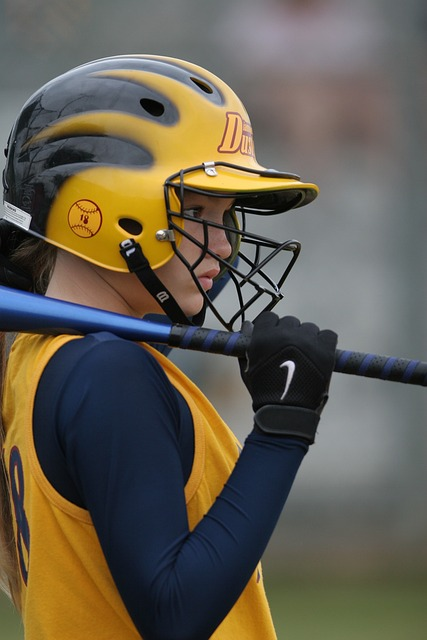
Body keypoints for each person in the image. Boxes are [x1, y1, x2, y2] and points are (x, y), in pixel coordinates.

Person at [0, 55, 337, 639]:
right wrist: (283, 428)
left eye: (226, 216)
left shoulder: (43, 358)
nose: (226, 247)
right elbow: (173, 613)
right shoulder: (107, 371)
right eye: (198, 211)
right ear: (102, 210)